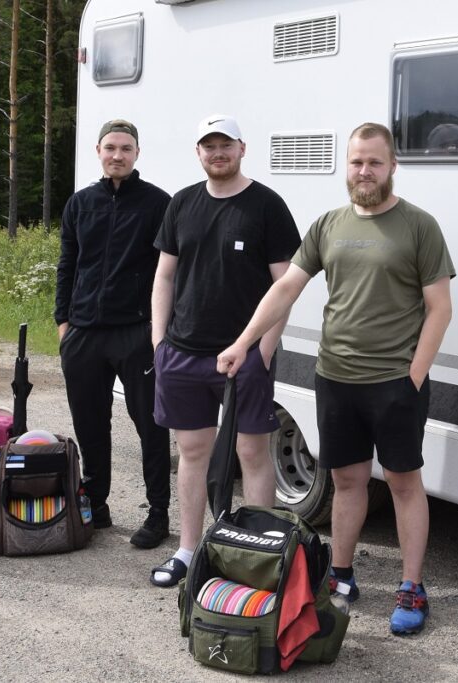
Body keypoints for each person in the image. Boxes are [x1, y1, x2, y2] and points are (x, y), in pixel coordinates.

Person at [217, 123, 455, 634]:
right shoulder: (328, 225)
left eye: (373, 162)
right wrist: (243, 342)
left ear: (392, 166)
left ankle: (412, 587)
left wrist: (413, 377)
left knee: (402, 483)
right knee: (347, 481)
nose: (364, 172)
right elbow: (285, 291)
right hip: (337, 379)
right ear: (345, 167)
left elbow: (440, 309)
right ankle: (342, 576)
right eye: (355, 162)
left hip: (396, 383)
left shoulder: (419, 226)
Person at [149, 114, 301, 587]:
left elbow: (286, 285)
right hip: (183, 352)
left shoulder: (266, 205)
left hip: (245, 355)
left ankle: (253, 556)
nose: (218, 153)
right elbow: (165, 277)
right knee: (193, 453)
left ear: (242, 148)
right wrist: (158, 342)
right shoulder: (182, 204)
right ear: (198, 152)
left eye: (226, 145)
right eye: (208, 146)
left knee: (252, 454)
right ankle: (188, 550)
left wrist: (265, 349)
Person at [55, 119, 173, 549]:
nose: (117, 155)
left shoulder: (159, 204)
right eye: (110, 148)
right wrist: (63, 322)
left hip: (135, 333)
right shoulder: (80, 203)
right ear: (98, 151)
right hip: (84, 332)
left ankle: (157, 511)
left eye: (126, 148)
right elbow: (67, 263)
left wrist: (157, 330)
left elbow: (169, 271)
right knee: (90, 422)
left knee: (151, 424)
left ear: (137, 153)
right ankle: (96, 502)